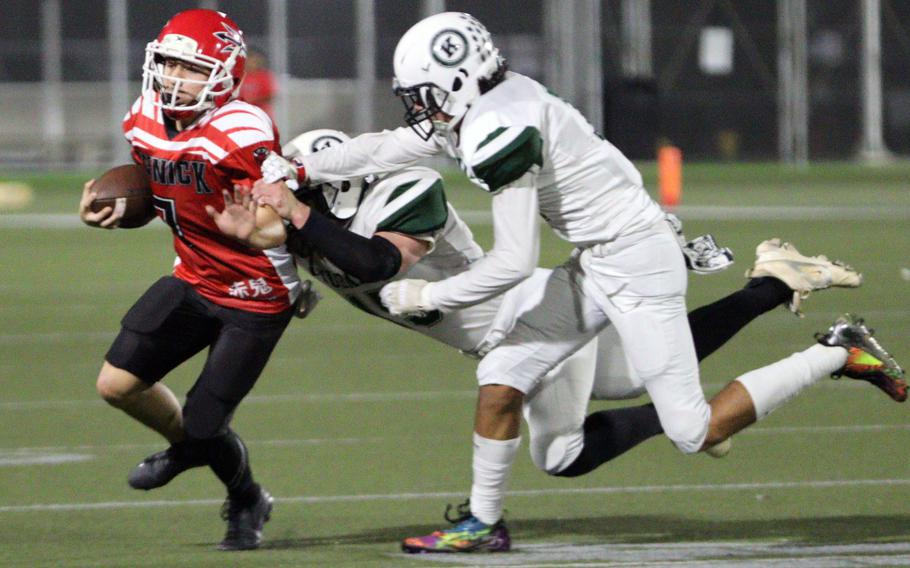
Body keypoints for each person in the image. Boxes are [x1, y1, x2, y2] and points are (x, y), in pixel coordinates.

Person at [257, 11, 904, 552]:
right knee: (502, 374)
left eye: (423, 93)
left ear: (454, 83)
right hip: (601, 256)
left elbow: (511, 263)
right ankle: (483, 524)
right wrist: (296, 161)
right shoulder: (492, 103)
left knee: (693, 430)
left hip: (636, 259)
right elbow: (387, 147)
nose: (419, 109)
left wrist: (429, 295)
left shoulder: (495, 130)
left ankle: (835, 352)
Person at [77, 9, 298, 551]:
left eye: (192, 68)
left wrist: (258, 226)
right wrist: (116, 208)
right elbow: (160, 192)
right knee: (116, 385)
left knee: (202, 424)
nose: (175, 78)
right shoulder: (144, 117)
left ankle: (243, 495)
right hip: (195, 275)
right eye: (170, 64)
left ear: (223, 76)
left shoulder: (242, 130)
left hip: (256, 291)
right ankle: (198, 451)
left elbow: (280, 220)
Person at [239, 50, 277, 120]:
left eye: (253, 61)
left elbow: (270, 95)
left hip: (261, 114)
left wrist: (251, 101)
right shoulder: (240, 76)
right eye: (249, 61)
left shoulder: (264, 76)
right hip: (243, 114)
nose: (250, 64)